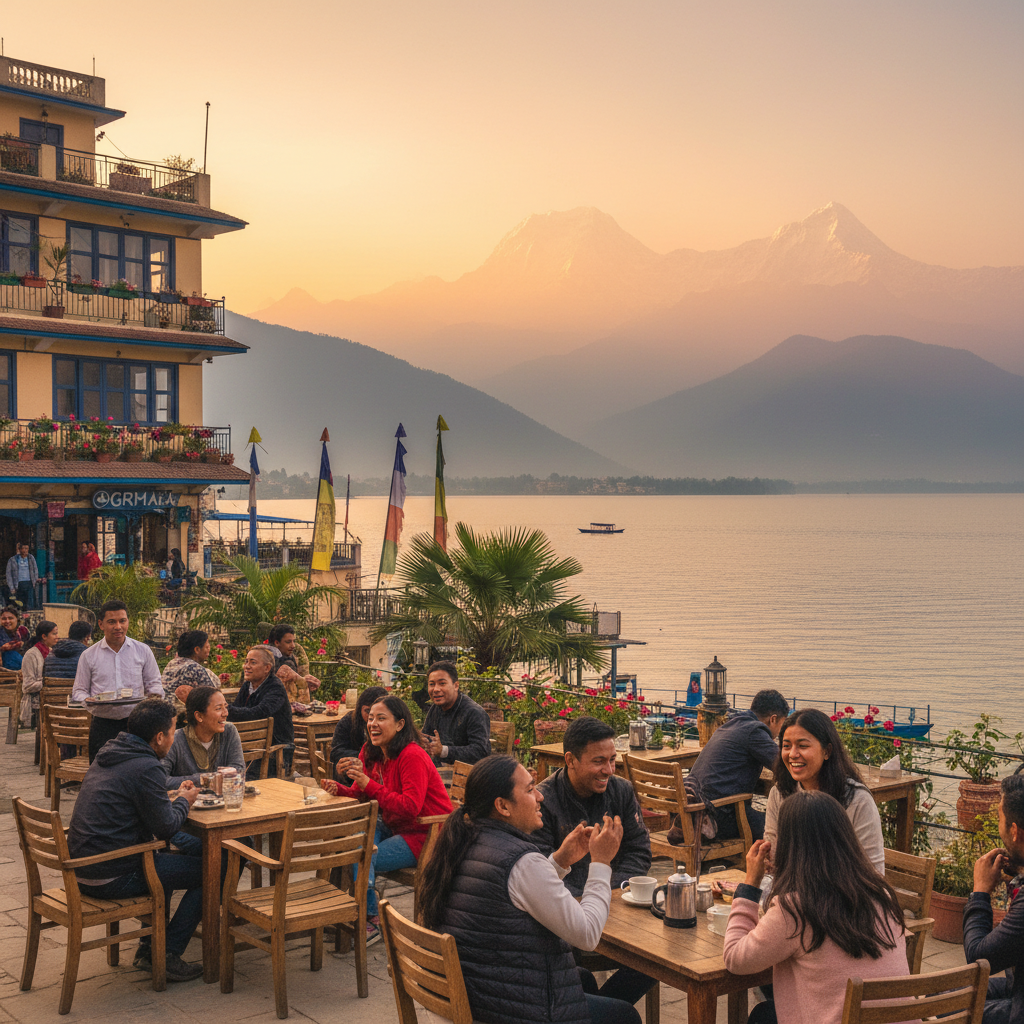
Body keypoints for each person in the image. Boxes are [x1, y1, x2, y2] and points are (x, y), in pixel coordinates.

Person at [418, 754, 640, 1024]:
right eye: (530, 789)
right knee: (624, 1016)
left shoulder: (464, 838)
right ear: (503, 806)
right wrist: (601, 863)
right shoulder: (521, 861)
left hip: (478, 990)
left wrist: (559, 861)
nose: (540, 797)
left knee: (581, 979)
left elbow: (514, 891)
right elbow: (587, 934)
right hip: (504, 1008)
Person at [723, 789, 909, 1024]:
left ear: (791, 845)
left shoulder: (795, 909)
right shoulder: (882, 895)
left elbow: (734, 959)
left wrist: (750, 885)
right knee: (768, 1011)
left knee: (763, 1016)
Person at [66, 698, 204, 983]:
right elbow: (165, 827)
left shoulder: (111, 752)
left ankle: (149, 947)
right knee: (214, 870)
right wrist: (184, 801)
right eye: (173, 731)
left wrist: (172, 800)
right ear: (159, 737)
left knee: (174, 860)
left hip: (83, 870)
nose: (173, 737)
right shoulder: (145, 765)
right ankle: (165, 955)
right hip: (113, 873)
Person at [533, 716, 654, 1010]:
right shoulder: (543, 801)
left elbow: (639, 852)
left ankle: (599, 1006)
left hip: (615, 902)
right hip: (564, 913)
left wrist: (605, 889)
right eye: (599, 761)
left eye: (612, 760)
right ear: (570, 760)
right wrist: (586, 894)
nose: (608, 770)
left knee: (654, 957)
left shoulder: (621, 790)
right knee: (572, 961)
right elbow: (541, 872)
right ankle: (604, 1010)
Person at [321, 694, 453, 944]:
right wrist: (340, 789)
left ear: (400, 724)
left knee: (361, 854)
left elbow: (410, 808)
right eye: (370, 718)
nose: (373, 724)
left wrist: (368, 784)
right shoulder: (371, 751)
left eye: (381, 718)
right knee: (355, 841)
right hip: (393, 825)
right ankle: (359, 909)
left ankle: (369, 917)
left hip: (426, 833)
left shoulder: (411, 755)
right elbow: (362, 794)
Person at [764, 708, 885, 874]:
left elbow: (874, 872)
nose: (792, 754)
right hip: (794, 895)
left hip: (847, 896)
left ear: (827, 751)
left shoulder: (856, 800)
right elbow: (774, 856)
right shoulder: (780, 793)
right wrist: (765, 860)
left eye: (803, 746)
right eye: (786, 746)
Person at [686, 689, 789, 840]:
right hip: (716, 818)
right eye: (782, 725)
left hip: (693, 814)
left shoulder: (731, 724)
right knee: (782, 827)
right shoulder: (755, 731)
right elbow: (784, 764)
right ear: (773, 719)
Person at [964, 773, 1024, 1024]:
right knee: (943, 993)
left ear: (1013, 831)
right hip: (1017, 987)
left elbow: (979, 957)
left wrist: (980, 892)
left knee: (946, 1006)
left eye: (999, 817)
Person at [71, 600, 165, 761]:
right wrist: (88, 700)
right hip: (103, 724)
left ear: (128, 621)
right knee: (101, 774)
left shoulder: (142, 651)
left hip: (137, 724)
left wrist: (154, 697)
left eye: (122, 621)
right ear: (101, 624)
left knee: (138, 771)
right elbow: (78, 691)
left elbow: (154, 683)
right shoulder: (89, 655)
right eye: (111, 622)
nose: (118, 627)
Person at [162, 686, 245, 856]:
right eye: (218, 709)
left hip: (222, 816)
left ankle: (219, 883)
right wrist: (205, 779)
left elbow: (239, 770)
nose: (225, 714)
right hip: (185, 821)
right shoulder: (176, 740)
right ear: (199, 716)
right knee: (214, 848)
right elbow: (160, 779)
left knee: (244, 843)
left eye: (225, 707)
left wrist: (217, 778)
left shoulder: (229, 732)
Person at [226, 646, 293, 779]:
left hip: (275, 750)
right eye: (246, 662)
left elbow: (259, 712)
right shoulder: (248, 685)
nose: (247, 666)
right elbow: (237, 709)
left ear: (267, 668)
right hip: (250, 746)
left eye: (253, 662)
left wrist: (226, 709)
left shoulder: (275, 687)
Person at [422, 660, 491, 766]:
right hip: (439, 773)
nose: (435, 689)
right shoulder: (435, 709)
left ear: (456, 686)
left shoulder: (473, 712)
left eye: (442, 683)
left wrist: (444, 751)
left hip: (467, 777)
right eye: (432, 684)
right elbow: (426, 735)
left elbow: (481, 751)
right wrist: (422, 741)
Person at [330, 684, 388, 778]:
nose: (372, 718)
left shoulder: (391, 725)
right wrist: (363, 757)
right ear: (359, 709)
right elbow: (336, 751)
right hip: (354, 774)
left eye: (379, 714)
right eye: (368, 711)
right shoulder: (348, 721)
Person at [161, 629, 220, 703]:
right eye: (207, 647)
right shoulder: (194, 668)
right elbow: (214, 697)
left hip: (166, 709)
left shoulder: (172, 663)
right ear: (197, 649)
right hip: (183, 712)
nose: (209, 649)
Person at [267, 623, 320, 703]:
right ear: (277, 643)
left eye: (293, 641)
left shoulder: (291, 656)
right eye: (288, 642)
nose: (293, 645)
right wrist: (300, 681)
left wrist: (308, 682)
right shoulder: (266, 659)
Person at [19, 619, 57, 727]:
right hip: (35, 704)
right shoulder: (31, 655)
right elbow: (27, 686)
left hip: (50, 698)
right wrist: (47, 682)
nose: (57, 636)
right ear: (44, 636)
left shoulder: (52, 652)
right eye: (54, 634)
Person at [6, 542, 38, 610]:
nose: (24, 550)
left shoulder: (31, 558)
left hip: (29, 583)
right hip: (18, 584)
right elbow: (8, 574)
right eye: (23, 548)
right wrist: (11, 587)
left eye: (26, 548)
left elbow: (35, 570)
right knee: (19, 603)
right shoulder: (13, 560)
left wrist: (34, 581)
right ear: (19, 549)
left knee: (30, 603)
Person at [0, 605, 29, 670]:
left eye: (10, 618)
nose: (7, 621)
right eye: (4, 619)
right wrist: (2, 649)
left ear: (17, 619)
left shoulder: (23, 631)